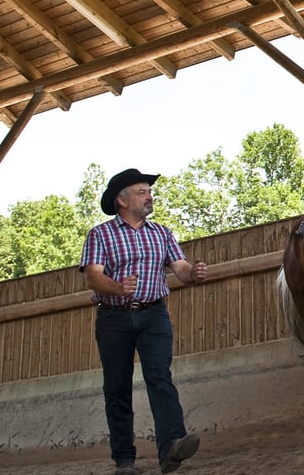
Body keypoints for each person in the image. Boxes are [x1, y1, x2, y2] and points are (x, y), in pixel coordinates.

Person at [80, 168, 207, 475]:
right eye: (142, 192)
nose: (149, 196)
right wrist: (117, 287)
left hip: (154, 315)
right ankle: (124, 461)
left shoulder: (162, 233)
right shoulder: (100, 235)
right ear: (122, 201)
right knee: (117, 387)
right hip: (113, 318)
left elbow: (180, 267)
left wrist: (194, 273)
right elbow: (94, 277)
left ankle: (172, 445)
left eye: (149, 192)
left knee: (160, 376)